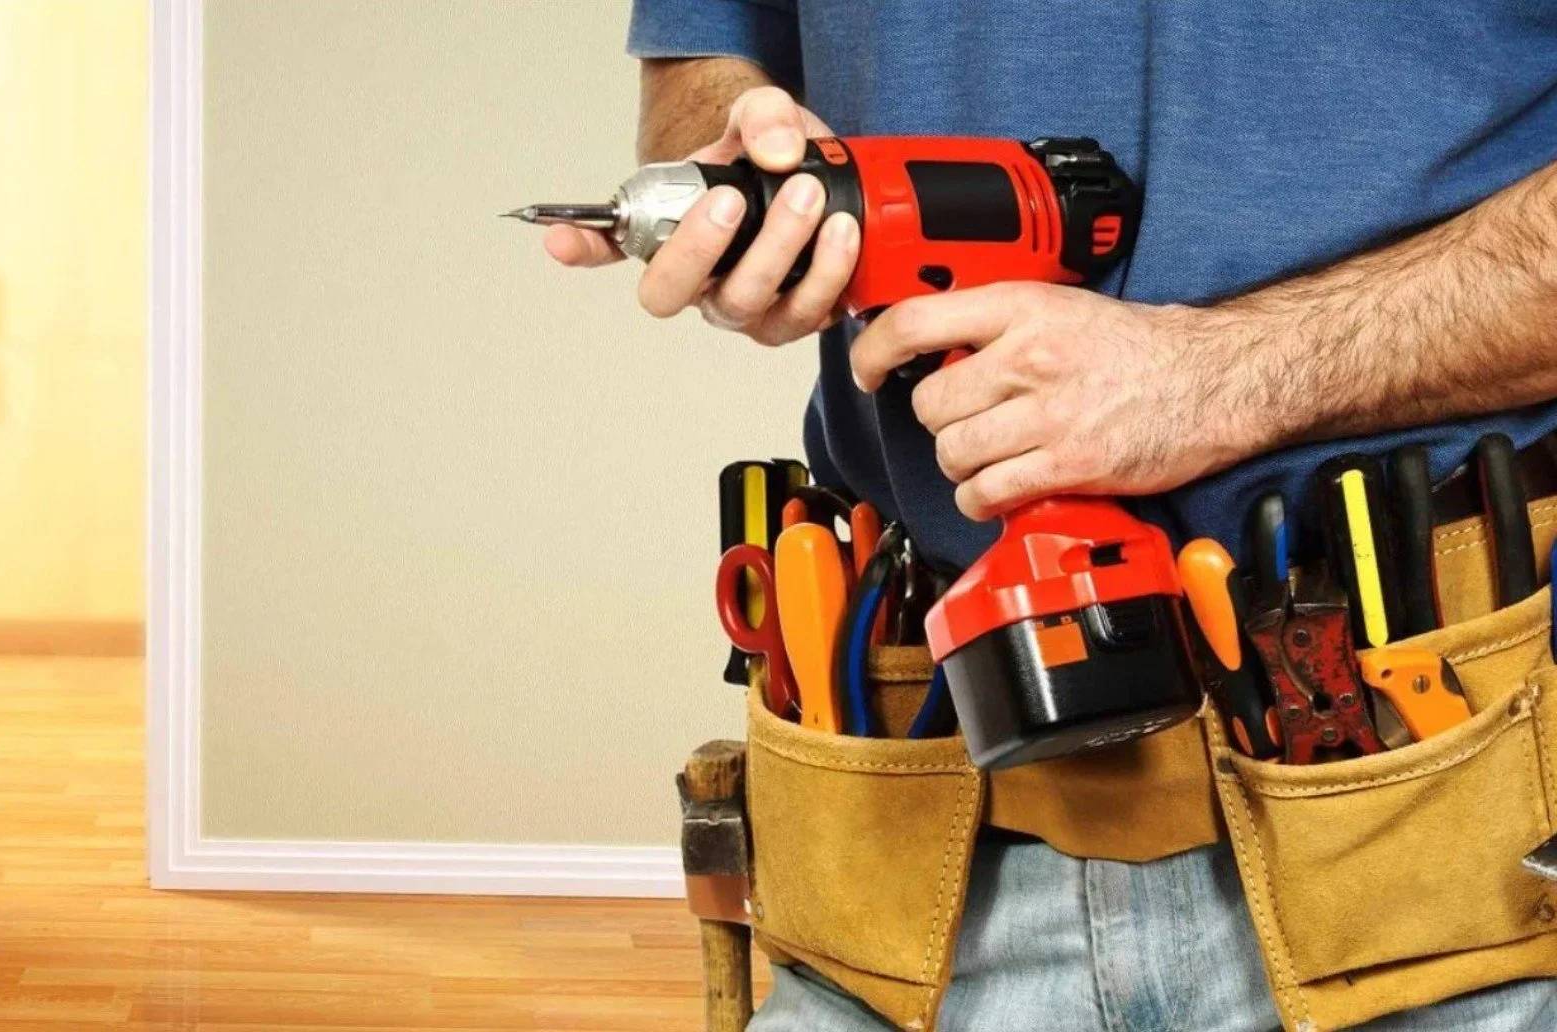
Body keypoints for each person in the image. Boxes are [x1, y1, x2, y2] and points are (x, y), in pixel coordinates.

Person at [542, 3, 1557, 1029]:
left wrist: (1227, 374)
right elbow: (699, 66)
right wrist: (746, 172)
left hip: (1450, 862)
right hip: (912, 848)